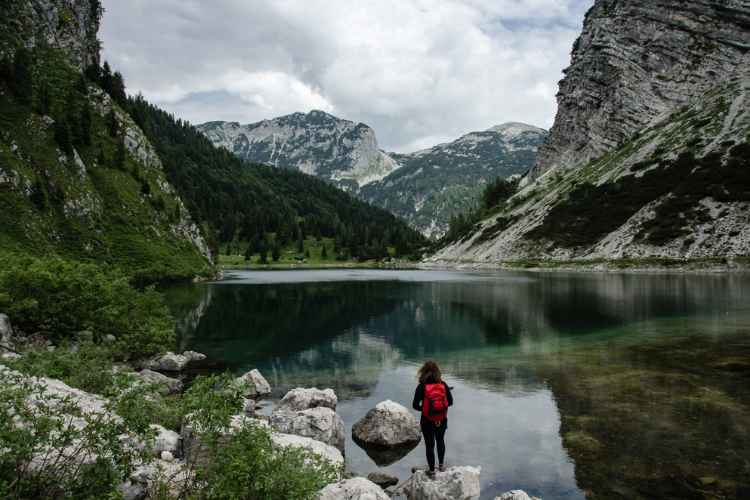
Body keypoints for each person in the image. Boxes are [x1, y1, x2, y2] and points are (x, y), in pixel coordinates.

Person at [412, 360, 453, 477]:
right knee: (440, 441)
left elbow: (415, 405)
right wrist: (439, 408)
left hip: (426, 420)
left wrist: (425, 409)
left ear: (423, 372)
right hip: (441, 419)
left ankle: (431, 470)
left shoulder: (421, 386)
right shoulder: (443, 385)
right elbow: (450, 402)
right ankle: (441, 466)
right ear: (437, 372)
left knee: (430, 445)